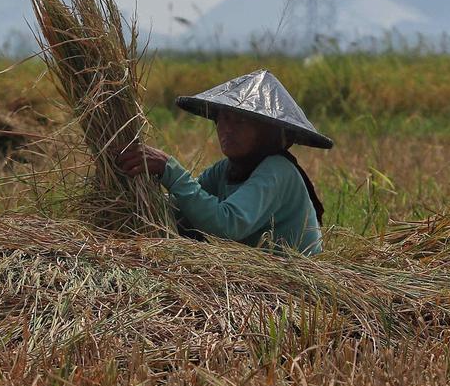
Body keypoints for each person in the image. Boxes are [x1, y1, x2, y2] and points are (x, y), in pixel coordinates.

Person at [117, 69, 330, 256]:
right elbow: (187, 208)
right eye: (223, 119)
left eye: (240, 121)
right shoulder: (227, 170)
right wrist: (136, 196)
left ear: (268, 132)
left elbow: (227, 224)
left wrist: (169, 169)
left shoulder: (278, 170)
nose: (227, 129)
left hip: (292, 281)